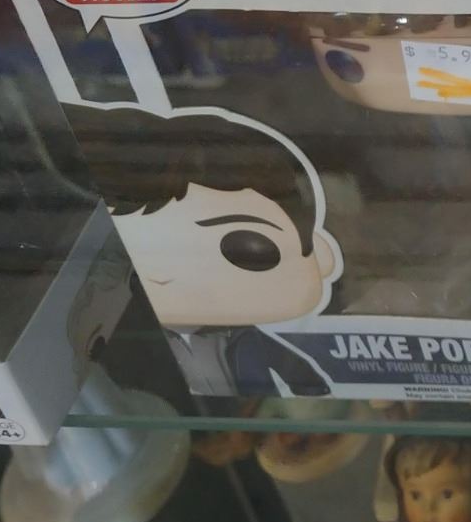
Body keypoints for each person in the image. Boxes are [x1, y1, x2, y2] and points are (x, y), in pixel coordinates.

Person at [66, 102, 341, 397]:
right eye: (148, 247)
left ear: (320, 253)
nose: (164, 272)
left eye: (243, 248)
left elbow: (295, 370)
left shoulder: (243, 336)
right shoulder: (127, 326)